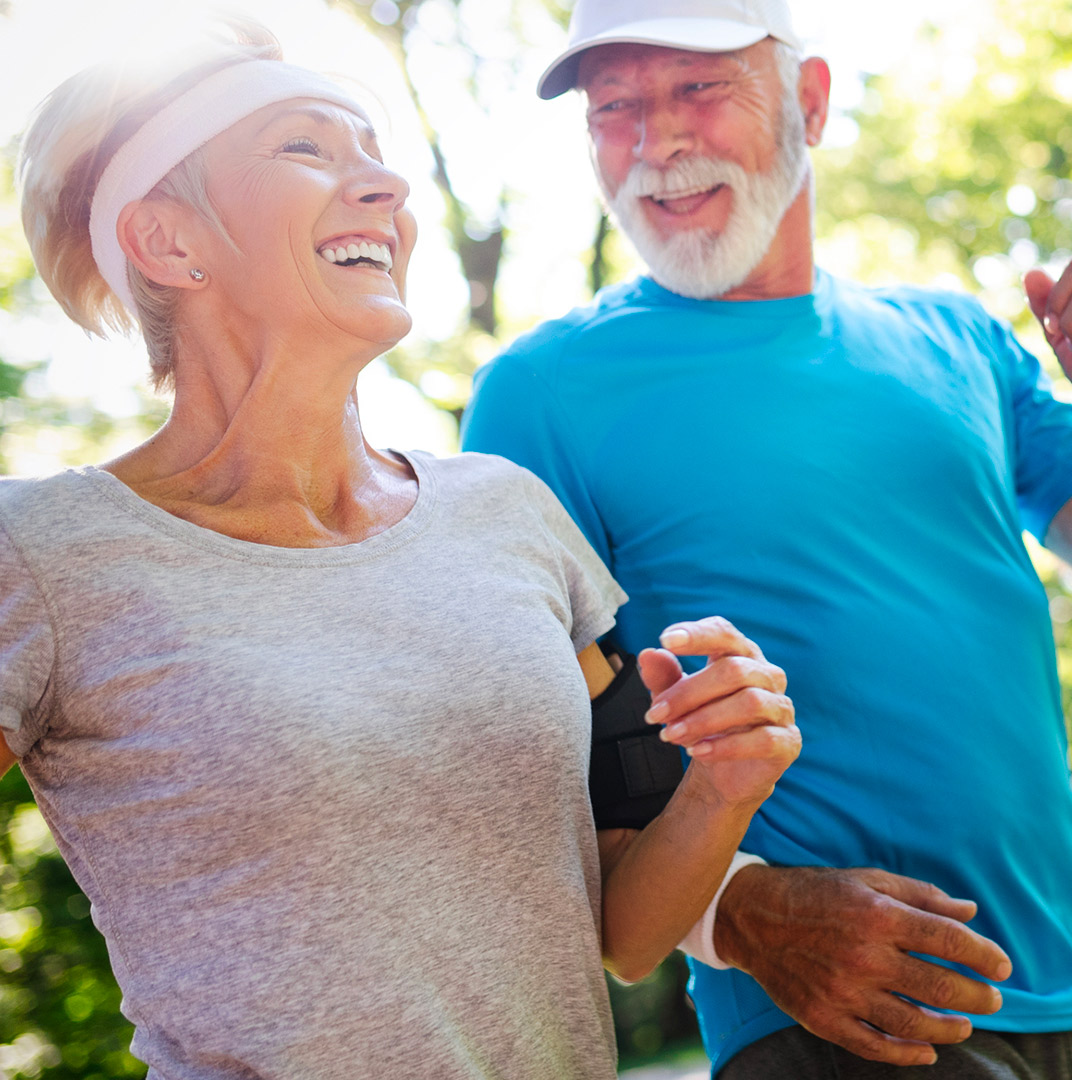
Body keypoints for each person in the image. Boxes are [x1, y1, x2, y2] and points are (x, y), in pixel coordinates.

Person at [3, 22, 799, 1079]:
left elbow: (625, 931)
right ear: (166, 241)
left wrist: (723, 786)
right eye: (305, 148)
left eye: (375, 154)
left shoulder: (509, 515)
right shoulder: (45, 555)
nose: (383, 187)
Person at [462, 1, 1072, 1076]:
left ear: (811, 102)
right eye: (616, 107)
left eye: (699, 88)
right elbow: (533, 793)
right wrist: (749, 915)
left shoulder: (961, 341)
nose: (658, 139)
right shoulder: (539, 398)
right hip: (834, 1019)